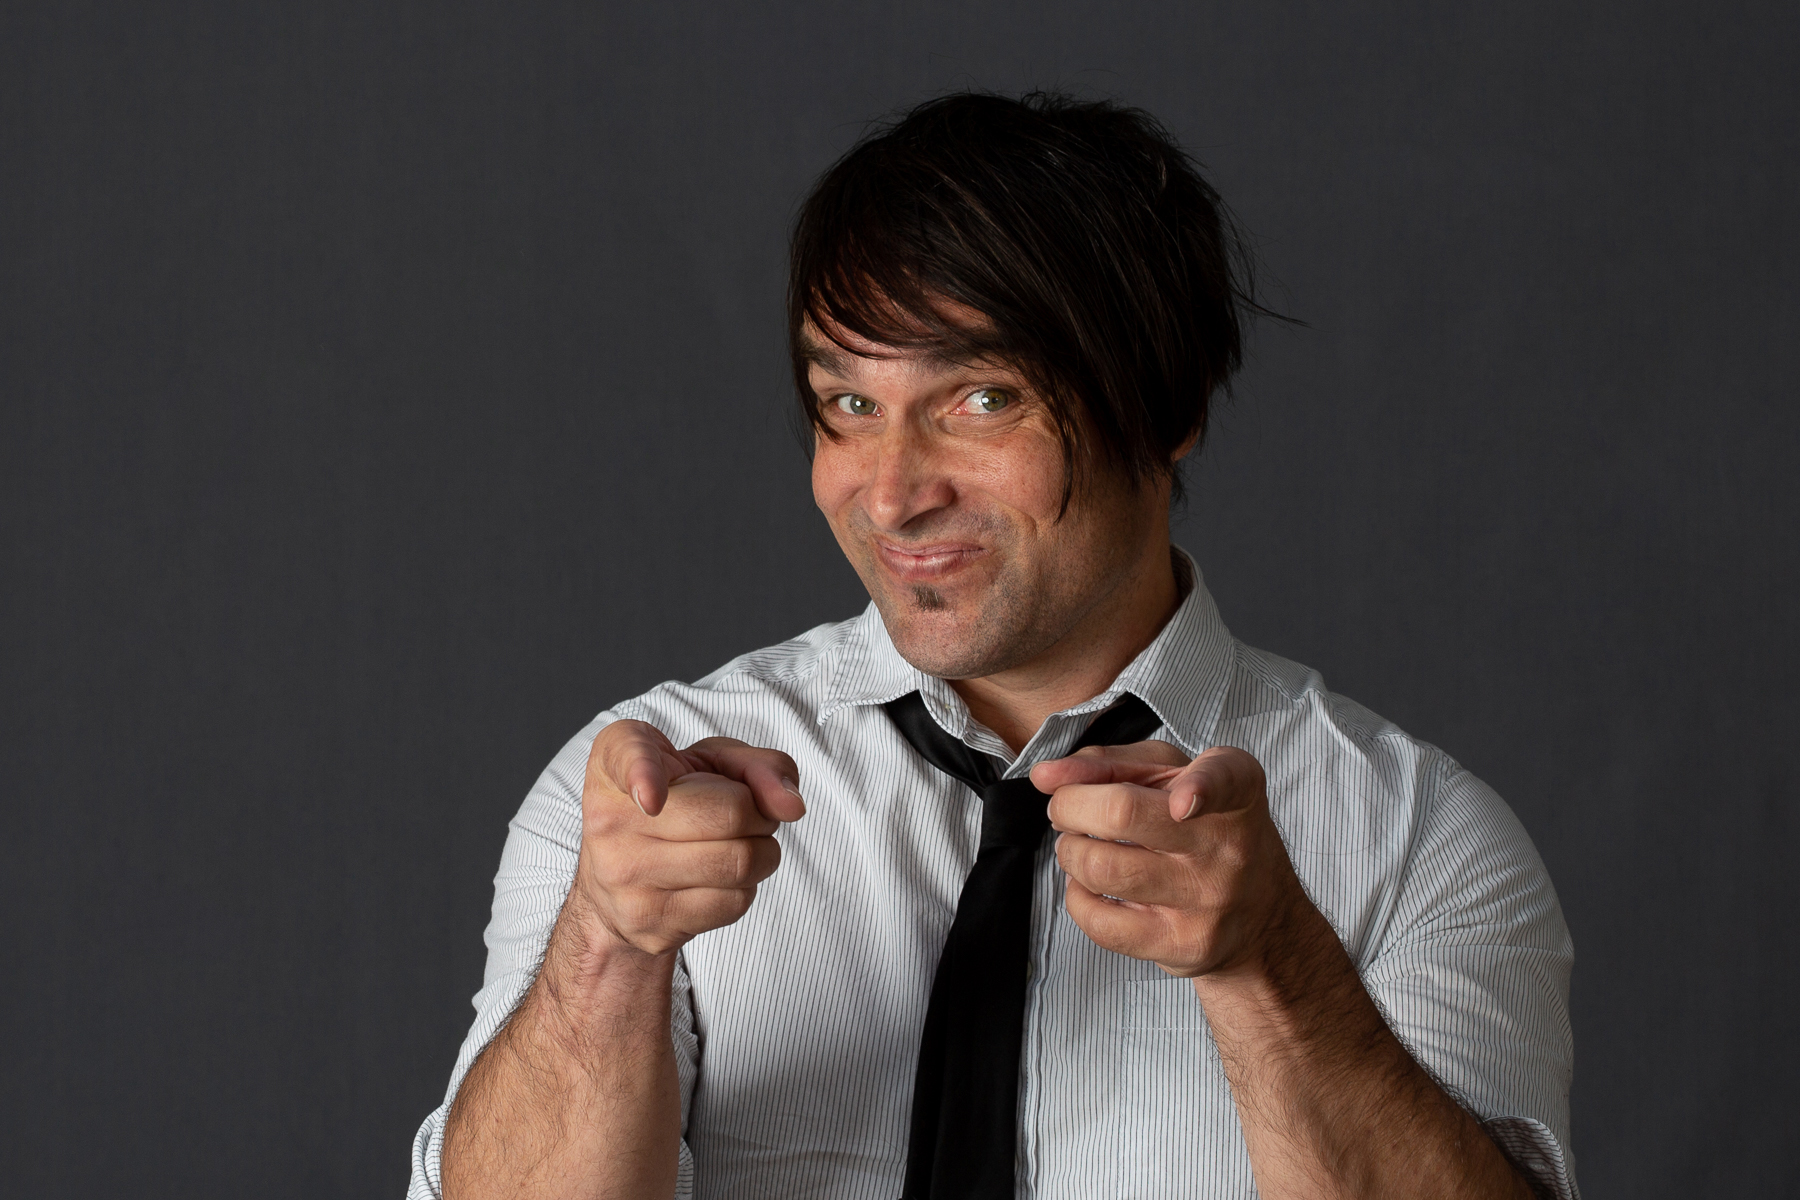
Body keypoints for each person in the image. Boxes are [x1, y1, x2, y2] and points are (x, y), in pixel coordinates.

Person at [409, 93, 1577, 1200]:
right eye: (850, 406)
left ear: (1169, 405)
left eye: (981, 400)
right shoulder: (635, 803)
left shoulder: (1415, 841)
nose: (891, 495)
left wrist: (1277, 969)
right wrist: (611, 950)